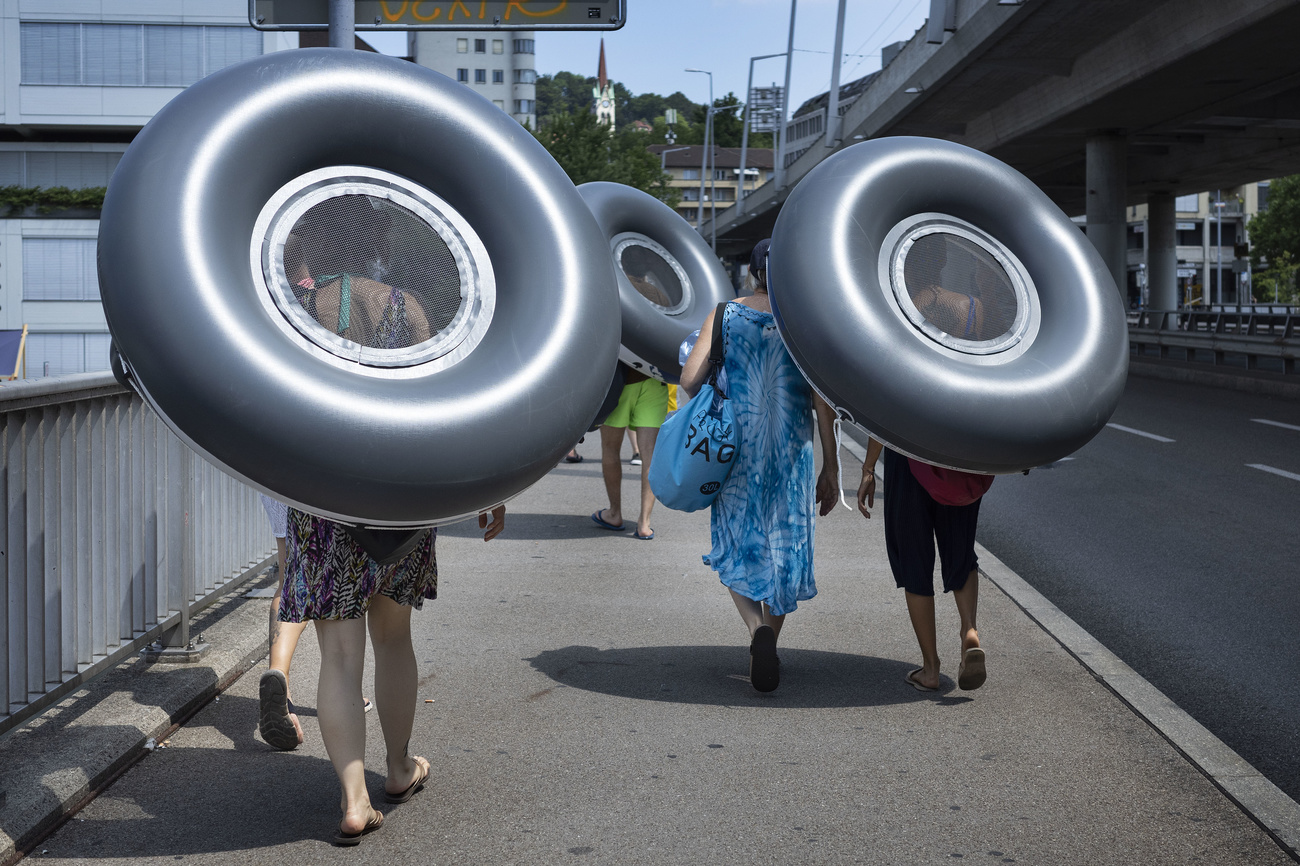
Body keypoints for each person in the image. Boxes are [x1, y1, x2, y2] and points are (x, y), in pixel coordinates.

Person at [678, 239, 840, 692]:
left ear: (751, 273)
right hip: (791, 454)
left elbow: (689, 380)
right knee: (786, 545)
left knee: (737, 541)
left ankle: (757, 631)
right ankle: (772, 638)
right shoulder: (803, 320)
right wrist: (831, 465)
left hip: (737, 450)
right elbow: (822, 400)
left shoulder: (726, 313)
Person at [857, 438, 991, 692]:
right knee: (960, 549)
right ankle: (969, 631)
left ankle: (930, 669)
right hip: (959, 453)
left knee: (913, 558)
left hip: (907, 453)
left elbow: (884, 408)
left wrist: (869, 468)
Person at [590, 364, 668, 540]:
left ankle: (614, 513)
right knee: (649, 454)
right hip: (654, 377)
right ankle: (644, 524)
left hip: (619, 380)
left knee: (610, 448)